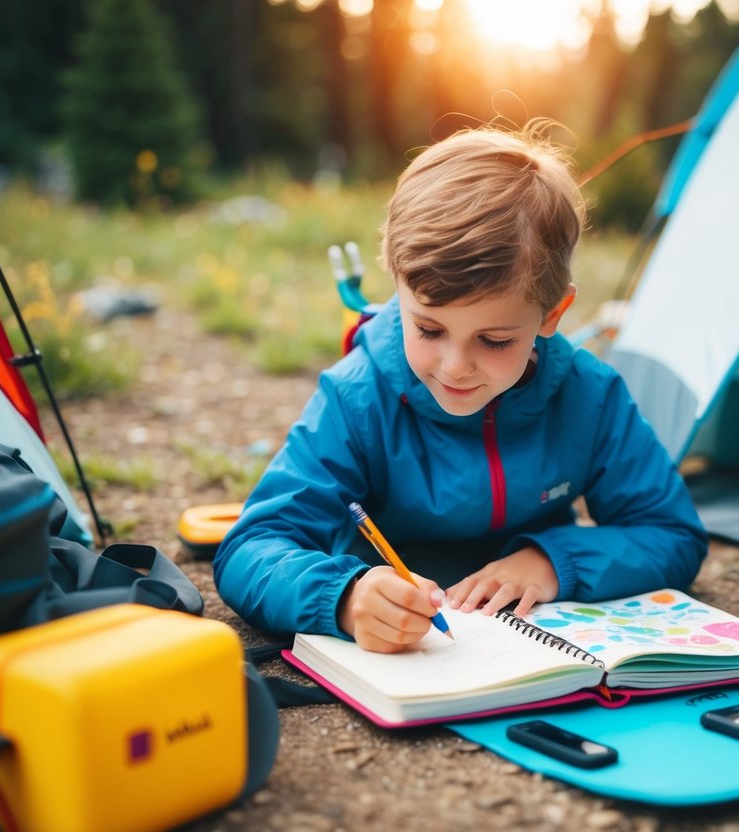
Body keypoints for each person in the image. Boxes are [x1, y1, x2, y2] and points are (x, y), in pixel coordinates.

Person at [214, 122, 707, 653]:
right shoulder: (358, 398)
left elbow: (672, 534)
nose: (455, 367)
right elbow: (251, 548)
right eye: (428, 329)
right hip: (411, 651)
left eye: (494, 340)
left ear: (552, 314)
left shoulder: (591, 398)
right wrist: (346, 597)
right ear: (398, 289)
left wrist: (552, 563)